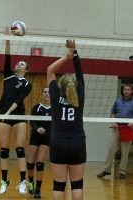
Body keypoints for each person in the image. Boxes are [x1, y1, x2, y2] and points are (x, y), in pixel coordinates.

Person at [47, 39, 86, 200]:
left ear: (60, 85)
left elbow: (50, 70)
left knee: (59, 184)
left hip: (58, 142)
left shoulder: (55, 95)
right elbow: (80, 72)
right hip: (77, 142)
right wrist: (74, 53)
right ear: (75, 85)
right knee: (77, 184)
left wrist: (67, 57)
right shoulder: (80, 95)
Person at [0, 39, 32, 194]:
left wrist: (10, 111)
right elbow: (7, 58)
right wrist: (7, 41)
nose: (18, 65)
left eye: (22, 64)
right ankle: (4, 181)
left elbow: (19, 100)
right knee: (4, 149)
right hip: (4, 113)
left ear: (25, 70)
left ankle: (23, 181)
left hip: (18, 115)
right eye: (18, 63)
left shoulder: (27, 84)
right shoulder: (8, 77)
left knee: (19, 148)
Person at [97, 85, 133, 179]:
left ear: (131, 91)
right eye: (124, 89)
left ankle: (122, 171)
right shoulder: (118, 101)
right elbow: (113, 112)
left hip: (128, 128)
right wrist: (112, 122)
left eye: (128, 90)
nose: (126, 91)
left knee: (125, 151)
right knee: (111, 149)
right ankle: (106, 170)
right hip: (117, 127)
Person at [27, 87, 51, 198]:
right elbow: (32, 121)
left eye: (49, 92)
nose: (47, 94)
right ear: (41, 95)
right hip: (35, 137)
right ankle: (31, 183)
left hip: (46, 139)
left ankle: (38, 189)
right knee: (30, 163)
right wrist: (37, 129)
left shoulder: (55, 109)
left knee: (40, 163)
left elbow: (56, 124)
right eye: (45, 92)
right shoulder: (36, 107)